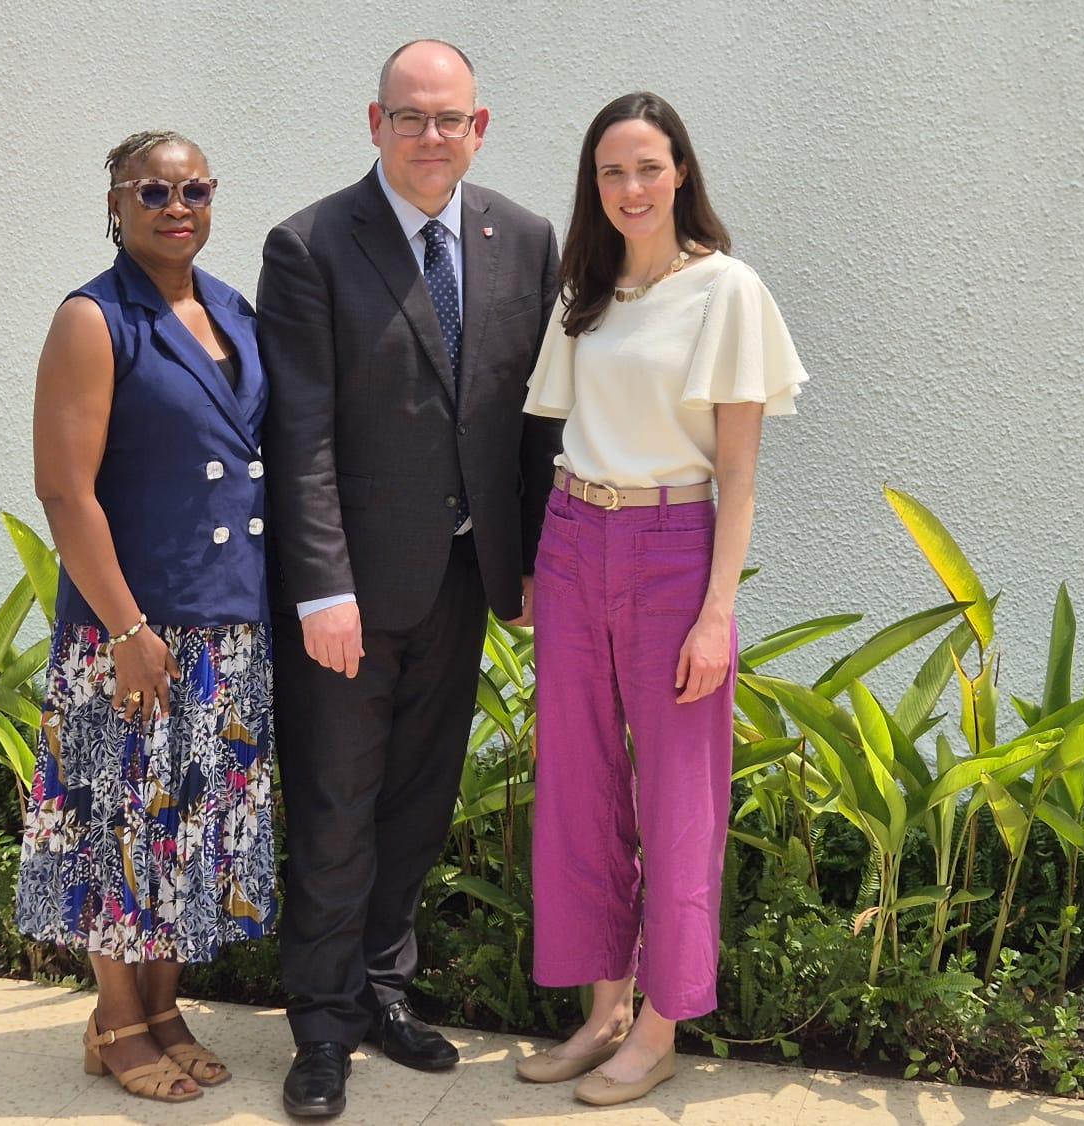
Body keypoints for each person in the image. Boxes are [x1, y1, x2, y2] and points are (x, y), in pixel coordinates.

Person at [257, 39, 564, 1119]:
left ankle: (382, 990)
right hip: (347, 596)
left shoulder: (524, 240)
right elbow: (298, 437)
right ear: (373, 121)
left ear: (479, 127)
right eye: (409, 116)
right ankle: (321, 1025)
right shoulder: (308, 245)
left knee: (417, 802)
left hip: (459, 579)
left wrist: (520, 564)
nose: (429, 136)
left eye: (449, 119)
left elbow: (534, 418)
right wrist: (320, 587)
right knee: (336, 808)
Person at [513, 92, 811, 1106]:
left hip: (672, 546)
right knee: (578, 784)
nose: (630, 189)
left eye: (647, 167)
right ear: (591, 187)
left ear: (680, 170)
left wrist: (716, 611)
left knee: (675, 795)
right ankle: (601, 1007)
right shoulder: (584, 294)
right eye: (610, 172)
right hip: (570, 538)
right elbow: (549, 431)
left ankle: (658, 1022)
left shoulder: (725, 290)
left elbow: (739, 475)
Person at [13, 129, 276, 1105]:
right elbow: (63, 491)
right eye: (153, 189)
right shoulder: (92, 317)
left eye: (194, 188)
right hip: (131, 626)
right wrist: (126, 629)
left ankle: (163, 1008)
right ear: (116, 204)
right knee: (118, 823)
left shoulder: (232, 313)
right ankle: (116, 1020)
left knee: (188, 830)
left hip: (226, 625)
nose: (177, 204)